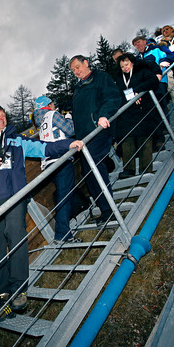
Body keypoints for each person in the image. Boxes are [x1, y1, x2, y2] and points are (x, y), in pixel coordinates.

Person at [0, 105, 83, 320]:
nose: (2, 117)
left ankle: (19, 290)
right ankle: (2, 295)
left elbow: (44, 148)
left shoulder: (16, 140)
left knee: (17, 237)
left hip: (16, 198)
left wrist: (69, 143)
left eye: (3, 114)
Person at [69, 55, 122, 225]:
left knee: (95, 167)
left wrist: (104, 115)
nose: (76, 71)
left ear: (86, 63)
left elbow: (112, 97)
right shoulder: (78, 88)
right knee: (89, 171)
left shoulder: (100, 78)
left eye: (78, 66)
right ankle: (105, 209)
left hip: (99, 130)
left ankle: (109, 209)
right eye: (73, 70)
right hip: (84, 138)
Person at [33, 95, 80, 243]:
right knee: (65, 195)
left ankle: (63, 229)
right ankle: (62, 234)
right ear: (50, 105)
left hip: (48, 163)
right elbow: (70, 130)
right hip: (61, 159)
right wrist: (70, 117)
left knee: (63, 194)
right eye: (53, 104)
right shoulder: (52, 114)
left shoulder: (40, 121)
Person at [114, 53, 161, 178]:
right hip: (127, 112)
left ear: (132, 63)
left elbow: (154, 81)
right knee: (126, 139)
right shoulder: (119, 78)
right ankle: (129, 169)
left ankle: (146, 168)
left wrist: (138, 90)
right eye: (122, 66)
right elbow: (119, 93)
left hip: (143, 110)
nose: (125, 68)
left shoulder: (142, 71)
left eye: (127, 64)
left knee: (144, 139)